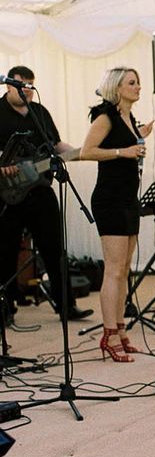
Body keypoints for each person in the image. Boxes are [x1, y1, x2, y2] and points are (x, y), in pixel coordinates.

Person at [0, 65, 93, 324]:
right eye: (21, 85)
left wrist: (79, 152)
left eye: (30, 84)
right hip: (7, 194)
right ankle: (5, 308)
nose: (27, 90)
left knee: (54, 250)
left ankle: (66, 305)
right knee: (5, 252)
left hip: (40, 189)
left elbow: (54, 144)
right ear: (8, 85)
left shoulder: (40, 112)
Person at [80, 67, 152, 363]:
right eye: (131, 83)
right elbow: (86, 151)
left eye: (138, 82)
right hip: (109, 199)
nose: (138, 87)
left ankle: (121, 329)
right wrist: (125, 151)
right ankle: (108, 334)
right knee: (113, 268)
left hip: (127, 198)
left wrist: (140, 136)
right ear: (116, 87)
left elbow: (128, 146)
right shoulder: (105, 116)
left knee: (124, 268)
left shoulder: (129, 118)